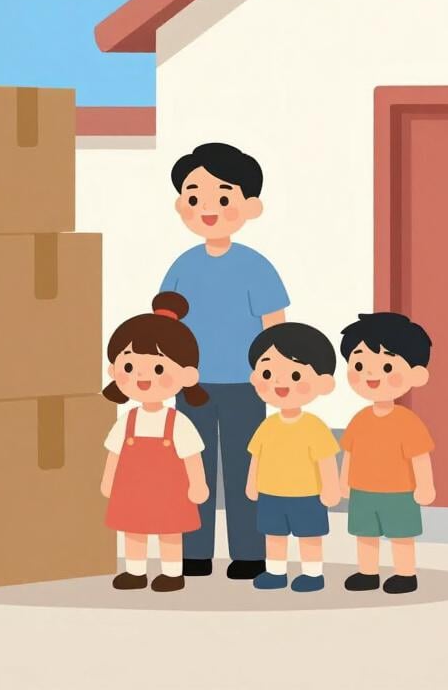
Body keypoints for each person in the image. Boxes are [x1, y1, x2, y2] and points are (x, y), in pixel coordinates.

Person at [160, 143, 290, 580]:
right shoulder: (182, 266)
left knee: (244, 468)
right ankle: (194, 552)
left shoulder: (256, 268)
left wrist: (272, 376)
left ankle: (249, 553)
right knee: (192, 466)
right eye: (194, 197)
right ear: (182, 205)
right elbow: (166, 327)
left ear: (249, 206)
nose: (207, 208)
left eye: (222, 196)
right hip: (191, 385)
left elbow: (275, 328)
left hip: (246, 385)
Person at [100, 292, 210, 592]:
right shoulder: (128, 420)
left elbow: (191, 457)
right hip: (132, 490)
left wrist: (197, 484)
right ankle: (135, 572)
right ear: (114, 371)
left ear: (187, 375)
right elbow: (115, 453)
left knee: (170, 532)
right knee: (133, 531)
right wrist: (108, 480)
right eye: (130, 367)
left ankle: (172, 573)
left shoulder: (178, 422)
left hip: (170, 492)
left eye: (159, 368)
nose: (143, 377)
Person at [338, 312, 435, 595]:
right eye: (359, 364)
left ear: (416, 375)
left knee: (401, 535)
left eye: (387, 367)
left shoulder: (407, 421)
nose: (371, 374)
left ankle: (405, 574)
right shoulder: (360, 419)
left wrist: (425, 486)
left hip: (399, 491)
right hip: (363, 491)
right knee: (365, 534)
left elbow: (419, 456)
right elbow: (350, 452)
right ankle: (367, 572)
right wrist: (345, 481)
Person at [245, 322, 340, 592]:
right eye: (267, 372)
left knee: (309, 535)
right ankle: (275, 572)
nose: (279, 382)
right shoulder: (267, 425)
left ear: (322, 383)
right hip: (271, 493)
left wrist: (330, 489)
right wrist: (252, 484)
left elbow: (326, 459)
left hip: (307, 494)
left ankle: (313, 574)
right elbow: (257, 456)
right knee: (274, 535)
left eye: (295, 375)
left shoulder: (314, 426)